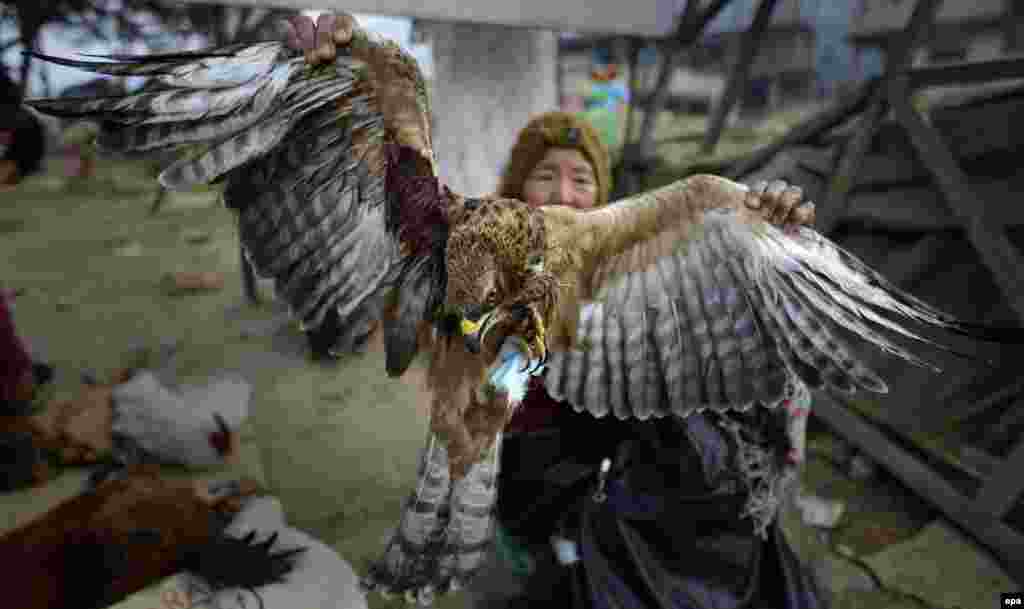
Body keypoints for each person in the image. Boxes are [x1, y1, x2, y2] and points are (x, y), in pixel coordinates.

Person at [477, 110, 825, 608]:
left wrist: (768, 237)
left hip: (622, 470)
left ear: (600, 195)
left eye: (581, 178)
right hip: (539, 472)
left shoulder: (625, 266)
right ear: (518, 188)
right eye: (544, 175)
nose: (563, 194)